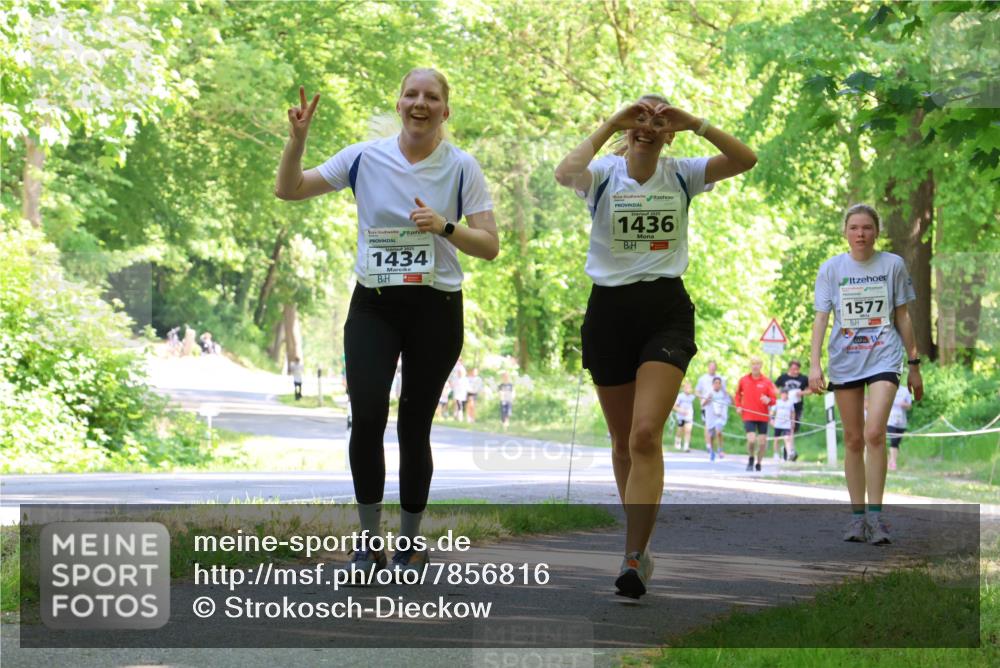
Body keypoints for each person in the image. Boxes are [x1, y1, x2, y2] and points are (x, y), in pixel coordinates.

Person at [275, 69, 500, 574]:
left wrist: (445, 227)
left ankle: (409, 542)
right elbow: (289, 189)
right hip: (374, 303)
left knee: (414, 426)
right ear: (398, 103)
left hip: (436, 307)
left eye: (432, 97)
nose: (420, 103)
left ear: (446, 110)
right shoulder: (364, 156)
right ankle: (367, 540)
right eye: (411, 94)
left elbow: (489, 245)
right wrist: (298, 141)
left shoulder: (462, 166)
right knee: (368, 413)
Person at [555, 93, 756, 598]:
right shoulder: (602, 174)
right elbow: (564, 173)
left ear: (670, 133)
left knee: (646, 434)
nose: (647, 126)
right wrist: (609, 122)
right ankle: (640, 546)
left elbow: (745, 159)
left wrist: (697, 122)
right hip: (609, 313)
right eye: (639, 119)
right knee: (623, 441)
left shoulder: (683, 173)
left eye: (658, 121)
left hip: (664, 311)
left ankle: (631, 556)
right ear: (627, 128)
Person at [809, 203, 923, 545]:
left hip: (884, 357)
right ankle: (857, 518)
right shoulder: (831, 269)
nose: (860, 233)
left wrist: (914, 363)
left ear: (877, 231)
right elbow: (821, 319)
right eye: (854, 227)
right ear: (845, 232)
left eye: (867, 227)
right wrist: (814, 364)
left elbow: (902, 316)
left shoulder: (893, 266)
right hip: (845, 360)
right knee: (855, 439)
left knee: (875, 433)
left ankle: (877, 517)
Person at [734, 358, 776, 472]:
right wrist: (738, 405)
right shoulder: (744, 380)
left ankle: (759, 462)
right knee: (752, 440)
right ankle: (751, 458)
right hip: (748, 415)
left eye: (757, 364)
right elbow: (737, 395)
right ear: (750, 366)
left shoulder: (767, 382)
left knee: (762, 443)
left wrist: (769, 400)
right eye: (753, 364)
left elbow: (774, 399)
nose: (755, 366)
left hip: (762, 416)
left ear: (761, 365)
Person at [774, 359, 811, 452]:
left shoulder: (803, 378)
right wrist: (781, 394)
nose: (795, 371)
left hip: (797, 406)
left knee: (794, 427)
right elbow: (774, 388)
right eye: (793, 369)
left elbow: (810, 390)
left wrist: (801, 393)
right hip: (784, 407)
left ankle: (788, 447)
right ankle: (790, 449)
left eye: (797, 369)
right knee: (786, 427)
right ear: (789, 368)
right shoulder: (783, 378)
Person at [694, 360, 725, 453]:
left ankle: (713, 445)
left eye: (714, 367)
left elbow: (724, 391)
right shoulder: (702, 379)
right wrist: (702, 400)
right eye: (711, 367)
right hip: (706, 406)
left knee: (716, 428)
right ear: (708, 367)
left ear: (716, 368)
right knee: (707, 426)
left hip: (717, 407)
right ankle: (708, 446)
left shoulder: (720, 379)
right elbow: (697, 391)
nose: (712, 368)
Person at [703, 376, 730, 461]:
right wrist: (708, 399)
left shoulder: (723, 393)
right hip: (711, 417)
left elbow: (731, 402)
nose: (717, 385)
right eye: (715, 383)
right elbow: (703, 404)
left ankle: (720, 449)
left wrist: (728, 393)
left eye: (719, 383)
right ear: (713, 384)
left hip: (720, 417)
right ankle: (712, 451)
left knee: (718, 432)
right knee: (711, 436)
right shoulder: (709, 393)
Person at [887, 385, 912, 471]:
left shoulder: (905, 391)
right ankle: (893, 462)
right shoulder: (887, 389)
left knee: (897, 443)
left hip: (901, 422)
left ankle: (891, 461)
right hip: (890, 421)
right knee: (893, 441)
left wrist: (904, 404)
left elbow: (909, 406)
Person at [770, 388, 796, 461]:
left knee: (787, 439)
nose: (784, 395)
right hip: (778, 424)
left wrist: (793, 422)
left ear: (787, 395)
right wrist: (771, 419)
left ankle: (789, 454)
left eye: (785, 394)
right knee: (776, 440)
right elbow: (772, 412)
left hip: (786, 424)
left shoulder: (790, 403)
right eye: (783, 394)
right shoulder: (777, 402)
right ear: (780, 395)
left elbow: (793, 413)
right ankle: (776, 454)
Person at [672, 381, 696, 452]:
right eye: (686, 387)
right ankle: (677, 442)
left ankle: (686, 446)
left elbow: (697, 394)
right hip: (681, 416)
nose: (688, 389)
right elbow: (674, 406)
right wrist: (680, 410)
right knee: (680, 430)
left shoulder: (692, 396)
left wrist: (694, 392)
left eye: (689, 387)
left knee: (688, 431)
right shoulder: (680, 396)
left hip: (689, 416)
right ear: (683, 388)